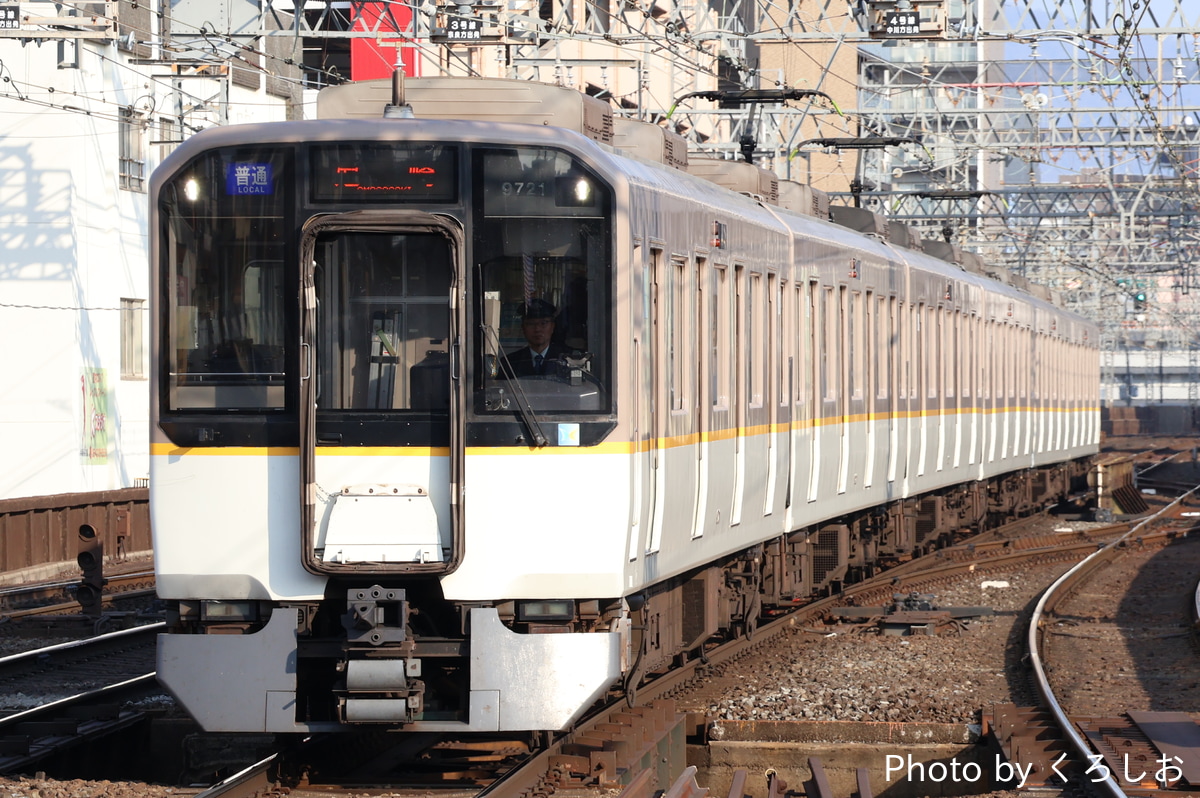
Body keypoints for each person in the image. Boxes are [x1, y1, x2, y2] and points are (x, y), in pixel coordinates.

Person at [502, 298, 567, 377]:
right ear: (523, 328)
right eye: (531, 324)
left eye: (543, 323)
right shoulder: (510, 362)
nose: (537, 329)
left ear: (553, 326)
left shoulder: (567, 359)